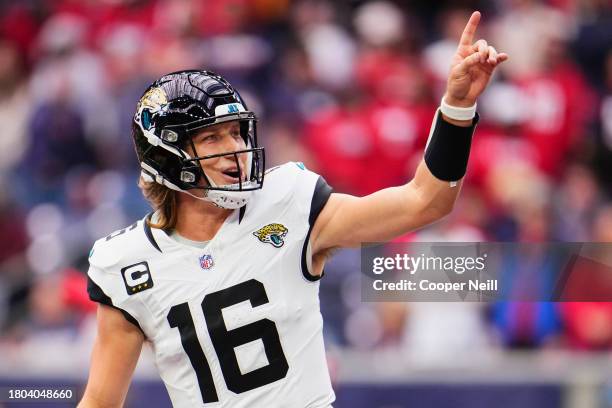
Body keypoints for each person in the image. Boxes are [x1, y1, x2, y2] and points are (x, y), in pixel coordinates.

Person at [79, 11, 507, 408]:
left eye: (236, 133)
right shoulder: (127, 263)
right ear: (166, 155)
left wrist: (456, 107)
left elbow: (425, 201)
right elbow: (100, 402)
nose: (234, 151)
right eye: (211, 138)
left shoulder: (289, 203)